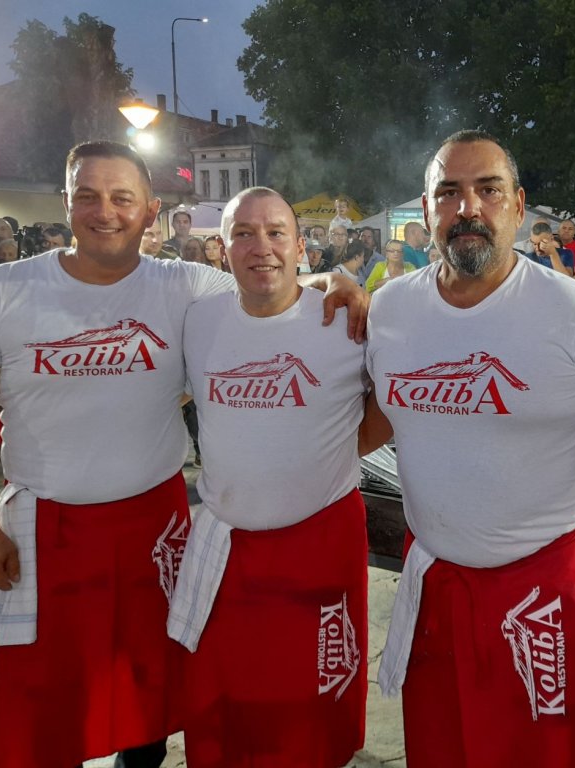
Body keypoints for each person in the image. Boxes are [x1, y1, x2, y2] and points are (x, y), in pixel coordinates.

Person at [0, 140, 367, 768]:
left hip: (155, 528)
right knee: (44, 710)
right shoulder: (2, 289)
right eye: (87, 196)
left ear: (150, 211)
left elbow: (270, 284)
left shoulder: (186, 285)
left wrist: (333, 279)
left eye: (122, 198)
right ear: (66, 203)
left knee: (149, 702)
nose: (105, 211)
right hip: (45, 532)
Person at [362, 129, 575, 767]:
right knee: (442, 744)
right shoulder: (390, 310)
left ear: (518, 205)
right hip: (436, 575)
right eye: (448, 193)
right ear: (426, 210)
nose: (468, 208)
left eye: (488, 190)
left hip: (541, 585)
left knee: (541, 753)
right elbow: (372, 420)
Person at [168, 186, 369, 767]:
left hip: (320, 542)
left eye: (277, 232)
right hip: (228, 545)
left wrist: (331, 446)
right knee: (229, 704)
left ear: (301, 246)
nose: (262, 247)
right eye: (244, 234)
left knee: (314, 712)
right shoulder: (198, 319)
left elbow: (387, 403)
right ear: (222, 247)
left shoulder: (347, 321)